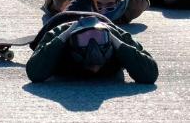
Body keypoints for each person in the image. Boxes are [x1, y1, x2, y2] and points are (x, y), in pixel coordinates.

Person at [27, 13, 157, 84]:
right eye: (84, 40)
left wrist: (115, 40)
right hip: (62, 20)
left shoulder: (117, 36)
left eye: (99, 38)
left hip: (101, 21)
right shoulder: (58, 36)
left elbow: (150, 75)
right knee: (36, 44)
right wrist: (64, 36)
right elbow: (35, 73)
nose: (93, 47)